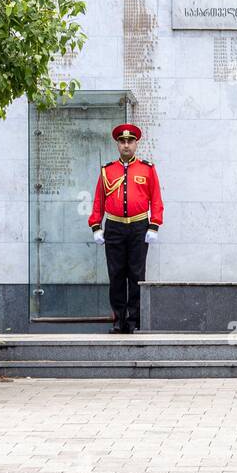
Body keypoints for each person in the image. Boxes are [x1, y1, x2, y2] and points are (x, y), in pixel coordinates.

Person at [88, 124, 163, 333]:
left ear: (136, 144)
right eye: (122, 141)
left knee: (137, 274)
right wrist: (96, 225)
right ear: (118, 144)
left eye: (130, 141)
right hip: (114, 227)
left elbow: (156, 199)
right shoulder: (107, 171)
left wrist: (154, 224)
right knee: (116, 274)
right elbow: (98, 201)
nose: (126, 145)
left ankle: (135, 320)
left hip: (139, 227)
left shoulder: (147, 169)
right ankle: (119, 320)